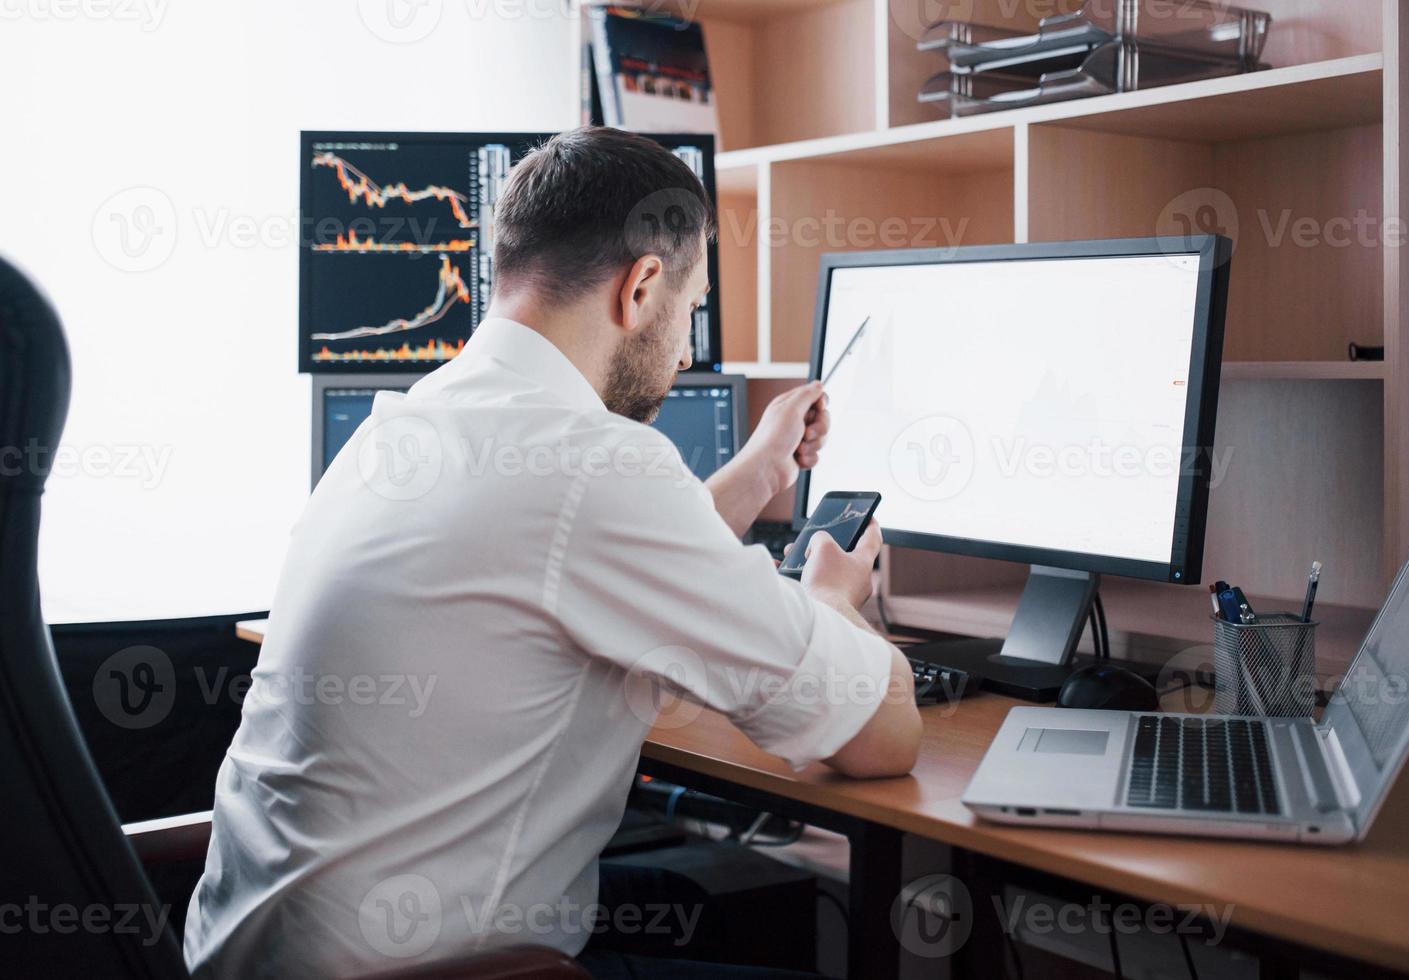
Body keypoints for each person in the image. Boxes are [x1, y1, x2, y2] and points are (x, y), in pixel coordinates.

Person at [184, 127, 921, 978]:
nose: (685, 352)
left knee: (703, 911)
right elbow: (882, 737)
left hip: (238, 956)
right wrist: (830, 593)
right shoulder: (594, 464)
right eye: (690, 311)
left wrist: (759, 474)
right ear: (642, 286)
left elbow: (575, 553)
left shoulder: (406, 425)